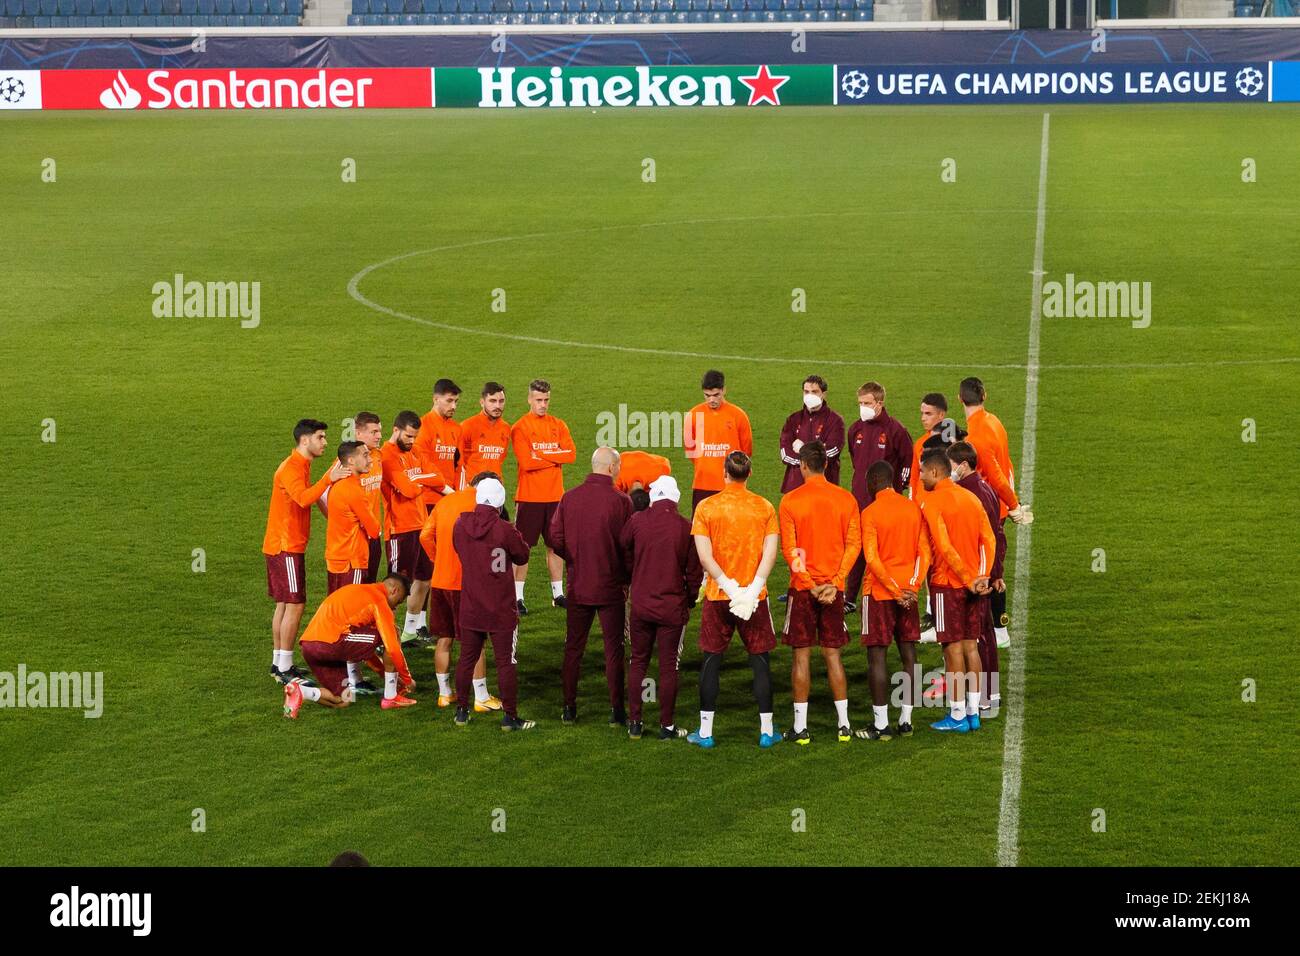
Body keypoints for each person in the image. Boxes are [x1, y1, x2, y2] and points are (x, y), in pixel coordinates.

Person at [688, 451, 782, 749]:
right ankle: (766, 731)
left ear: (724, 474)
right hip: (754, 600)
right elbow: (770, 554)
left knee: (711, 661)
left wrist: (730, 588)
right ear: (749, 474)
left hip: (719, 597)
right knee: (760, 662)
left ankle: (705, 732)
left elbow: (705, 557)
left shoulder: (707, 507)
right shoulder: (764, 507)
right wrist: (750, 592)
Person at [777, 441, 861, 744]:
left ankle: (800, 728)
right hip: (833, 590)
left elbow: (790, 550)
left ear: (802, 466)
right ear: (825, 465)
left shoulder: (790, 501)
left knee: (801, 657)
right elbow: (854, 546)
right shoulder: (846, 499)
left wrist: (810, 585)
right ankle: (844, 725)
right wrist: (836, 582)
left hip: (803, 591)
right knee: (833, 655)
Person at [550, 447, 634, 725]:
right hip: (611, 587)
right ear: (611, 468)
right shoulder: (621, 502)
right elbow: (628, 546)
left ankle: (568, 708)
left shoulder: (569, 498)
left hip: (578, 585)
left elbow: (555, 537)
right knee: (614, 648)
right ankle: (616, 711)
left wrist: (574, 560)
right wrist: (624, 574)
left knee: (574, 647)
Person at [917, 449, 996, 734]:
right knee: (971, 647)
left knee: (951, 649)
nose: (921, 476)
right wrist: (981, 576)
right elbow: (988, 538)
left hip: (947, 585)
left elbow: (944, 546)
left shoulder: (932, 503)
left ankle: (957, 714)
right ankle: (974, 713)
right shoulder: (971, 498)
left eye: (923, 471)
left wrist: (965, 578)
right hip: (975, 585)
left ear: (936, 472)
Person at [263, 419, 347, 684]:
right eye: (320, 437)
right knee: (295, 604)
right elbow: (303, 498)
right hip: (286, 545)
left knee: (284, 604)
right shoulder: (292, 468)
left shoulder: (299, 464)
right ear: (305, 440)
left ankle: (279, 662)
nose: (325, 442)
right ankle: (285, 667)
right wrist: (328, 479)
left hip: (281, 544)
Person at [619, 475, 702, 741]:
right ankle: (667, 727)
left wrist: (635, 573)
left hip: (641, 604)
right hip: (671, 606)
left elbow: (623, 547)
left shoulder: (637, 521)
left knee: (638, 661)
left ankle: (635, 722)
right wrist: (688, 599)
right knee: (668, 666)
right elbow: (694, 573)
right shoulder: (684, 526)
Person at [451, 477, 535, 731]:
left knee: (466, 658)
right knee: (506, 662)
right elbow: (523, 555)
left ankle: (462, 712)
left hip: (471, 604)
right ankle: (510, 717)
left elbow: (459, 549)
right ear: (499, 504)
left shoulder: (460, 524)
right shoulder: (505, 529)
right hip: (500, 607)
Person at [854, 460, 929, 740]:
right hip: (909, 595)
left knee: (877, 658)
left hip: (879, 594)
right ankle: (907, 720)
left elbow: (872, 558)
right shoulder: (912, 508)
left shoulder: (870, 512)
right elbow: (924, 552)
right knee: (909, 655)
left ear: (873, 482)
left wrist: (894, 590)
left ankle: (881, 725)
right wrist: (912, 587)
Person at [958, 376, 1034, 649]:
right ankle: (995, 625)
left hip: (988, 507)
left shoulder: (977, 434)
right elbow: (1007, 464)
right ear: (985, 396)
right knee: (989, 564)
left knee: (988, 566)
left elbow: (996, 475)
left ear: (960, 399)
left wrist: (1013, 506)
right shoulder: (994, 421)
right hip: (995, 504)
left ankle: (999, 628)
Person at [418, 471, 502, 711]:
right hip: (466, 584)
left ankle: (444, 694)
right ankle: (482, 698)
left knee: (444, 639)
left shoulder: (445, 501)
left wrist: (439, 559)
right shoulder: (482, 506)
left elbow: (425, 535)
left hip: (440, 581)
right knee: (474, 642)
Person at [283, 575, 416, 717]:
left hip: (309, 648)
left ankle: (300, 691)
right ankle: (390, 697)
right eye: (399, 601)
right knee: (392, 633)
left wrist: (384, 674)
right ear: (394, 590)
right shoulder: (379, 600)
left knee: (344, 699)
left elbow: (363, 652)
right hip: (331, 644)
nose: (395, 606)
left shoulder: (356, 590)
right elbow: (393, 648)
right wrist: (407, 680)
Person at [843, 381, 913, 614]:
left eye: (867, 403)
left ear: (880, 404)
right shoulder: (855, 429)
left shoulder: (896, 431)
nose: (862, 407)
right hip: (860, 500)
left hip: (886, 505)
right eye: (860, 403)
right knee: (858, 548)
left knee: (886, 551)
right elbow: (856, 462)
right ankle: (850, 597)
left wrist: (897, 491)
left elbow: (906, 465)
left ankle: (894, 592)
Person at [947, 441, 1006, 714]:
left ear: (962, 465)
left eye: (950, 466)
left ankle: (982, 697)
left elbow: (988, 538)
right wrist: (997, 573)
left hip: (976, 577)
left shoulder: (972, 494)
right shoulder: (986, 488)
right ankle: (990, 694)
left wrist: (989, 575)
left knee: (978, 637)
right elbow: (999, 533)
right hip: (985, 574)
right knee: (986, 636)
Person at [510, 379, 576, 614]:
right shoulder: (519, 427)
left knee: (555, 546)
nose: (543, 404)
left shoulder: (559, 424)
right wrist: (554, 455)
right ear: (529, 399)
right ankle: (517, 597)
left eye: (546, 400)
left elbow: (571, 455)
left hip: (555, 498)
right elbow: (527, 463)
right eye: (538, 400)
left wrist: (541, 454)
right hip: (529, 498)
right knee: (522, 548)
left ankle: (558, 594)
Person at [380, 410, 447, 638]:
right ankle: (384, 633)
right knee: (395, 586)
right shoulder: (386, 456)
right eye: (408, 436)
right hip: (399, 529)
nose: (412, 441)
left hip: (421, 525)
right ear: (396, 430)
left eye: (415, 436)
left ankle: (410, 631)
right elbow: (407, 490)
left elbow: (438, 478)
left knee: (425, 578)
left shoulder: (415, 450)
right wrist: (422, 482)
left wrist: (417, 479)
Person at [409, 379, 464, 641]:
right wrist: (448, 492)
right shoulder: (423, 427)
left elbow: (457, 465)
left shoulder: (455, 429)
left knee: (437, 567)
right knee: (425, 568)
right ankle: (412, 627)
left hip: (447, 503)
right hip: (429, 503)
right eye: (449, 401)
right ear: (435, 399)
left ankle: (420, 625)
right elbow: (423, 468)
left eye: (456, 401)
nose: (453, 406)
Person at [683, 369, 753, 514]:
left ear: (724, 390)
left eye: (716, 395)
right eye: (707, 396)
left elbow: (746, 451)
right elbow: (690, 450)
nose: (711, 400)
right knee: (701, 530)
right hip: (703, 484)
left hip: (731, 484)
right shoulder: (693, 415)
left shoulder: (738, 415)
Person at [324, 441, 381, 595]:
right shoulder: (354, 490)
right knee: (352, 613)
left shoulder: (337, 486)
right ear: (351, 460)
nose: (370, 459)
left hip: (336, 559)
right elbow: (375, 531)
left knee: (336, 611)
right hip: (352, 561)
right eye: (365, 455)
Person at [778, 375, 845, 492]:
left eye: (814, 392)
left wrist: (802, 449)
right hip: (796, 487)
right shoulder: (793, 419)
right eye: (806, 392)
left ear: (823, 394)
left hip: (825, 487)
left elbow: (832, 452)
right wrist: (815, 454)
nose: (810, 395)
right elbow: (785, 454)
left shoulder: (835, 421)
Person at [460, 382, 512, 499]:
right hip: (472, 491)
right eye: (492, 401)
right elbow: (457, 462)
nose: (497, 406)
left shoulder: (506, 428)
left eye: (501, 401)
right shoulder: (467, 426)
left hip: (496, 491)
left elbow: (500, 459)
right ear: (482, 402)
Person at [352, 412, 386, 584]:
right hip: (356, 538)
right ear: (358, 433)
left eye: (379, 431)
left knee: (368, 585)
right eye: (373, 432)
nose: (379, 435)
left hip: (374, 535)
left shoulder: (378, 456)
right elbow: (324, 493)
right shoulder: (348, 461)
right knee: (354, 590)